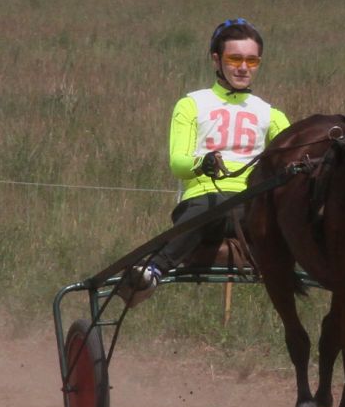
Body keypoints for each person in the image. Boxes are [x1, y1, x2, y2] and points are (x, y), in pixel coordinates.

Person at [122, 18, 291, 300]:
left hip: (251, 204)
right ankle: (154, 270)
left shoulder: (270, 114)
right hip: (204, 200)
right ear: (217, 59)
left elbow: (292, 153)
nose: (243, 67)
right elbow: (178, 163)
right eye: (235, 58)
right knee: (215, 204)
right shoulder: (192, 104)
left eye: (252, 61)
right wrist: (203, 164)